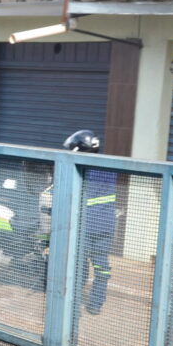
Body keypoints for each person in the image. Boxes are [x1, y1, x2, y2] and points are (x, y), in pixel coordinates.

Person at [64, 129, 117, 315]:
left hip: (86, 226)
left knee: (79, 266)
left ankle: (74, 306)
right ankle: (96, 303)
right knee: (102, 266)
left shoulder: (81, 169)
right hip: (106, 225)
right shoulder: (108, 165)